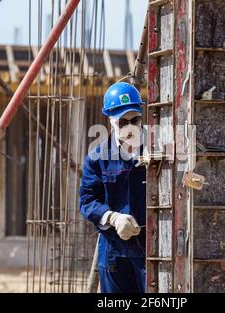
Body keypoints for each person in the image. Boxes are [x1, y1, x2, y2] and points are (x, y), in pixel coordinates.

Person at [79, 82, 146, 293]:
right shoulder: (97, 158)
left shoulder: (159, 150)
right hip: (114, 252)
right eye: (123, 122)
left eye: (134, 120)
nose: (130, 127)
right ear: (111, 121)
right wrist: (112, 218)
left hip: (151, 250)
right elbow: (87, 201)